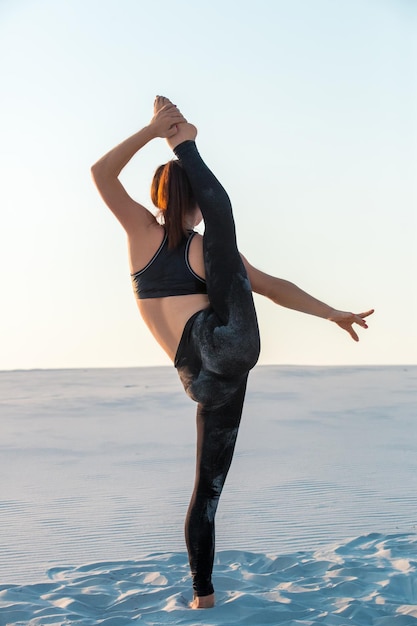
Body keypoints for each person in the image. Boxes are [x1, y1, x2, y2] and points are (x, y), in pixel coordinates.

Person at [91, 96, 374, 609]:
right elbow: (267, 286)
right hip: (223, 349)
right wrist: (165, 134)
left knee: (208, 489)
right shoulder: (202, 244)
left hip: (202, 379)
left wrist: (332, 313)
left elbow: (102, 174)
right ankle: (188, 146)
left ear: (157, 196)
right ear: (195, 197)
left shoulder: (140, 237)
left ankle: (203, 596)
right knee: (227, 229)